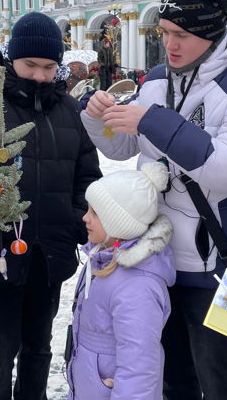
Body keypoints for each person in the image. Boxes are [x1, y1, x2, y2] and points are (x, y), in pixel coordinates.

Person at [81, 0, 227, 398]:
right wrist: (99, 118)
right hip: (154, 261)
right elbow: (122, 147)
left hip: (215, 265)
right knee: (170, 376)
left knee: (218, 377)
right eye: (164, 32)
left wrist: (155, 121)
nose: (169, 44)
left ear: (211, 30)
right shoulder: (155, 80)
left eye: (181, 35)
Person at [0, 12, 102, 400]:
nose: (40, 76)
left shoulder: (68, 109)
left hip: (51, 252)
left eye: (49, 67)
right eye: (30, 65)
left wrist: (73, 219)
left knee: (39, 348)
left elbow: (87, 174)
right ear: (10, 57)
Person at [66, 162, 176, 400]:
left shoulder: (137, 287)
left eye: (95, 213)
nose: (85, 218)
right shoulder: (102, 260)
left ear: (118, 223)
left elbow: (140, 365)